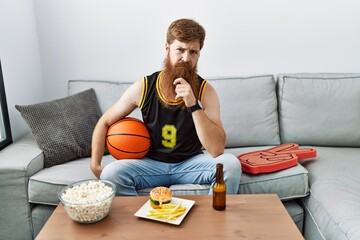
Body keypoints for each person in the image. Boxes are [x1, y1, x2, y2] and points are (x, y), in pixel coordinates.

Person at [90, 18, 241, 196]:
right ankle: (139, 220)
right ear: (167, 48)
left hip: (191, 163)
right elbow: (105, 121)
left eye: (193, 52)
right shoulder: (144, 86)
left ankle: (212, 221)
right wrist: (95, 164)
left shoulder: (205, 91)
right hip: (151, 165)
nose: (186, 58)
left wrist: (193, 105)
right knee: (111, 172)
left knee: (230, 165)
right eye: (180, 50)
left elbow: (217, 150)